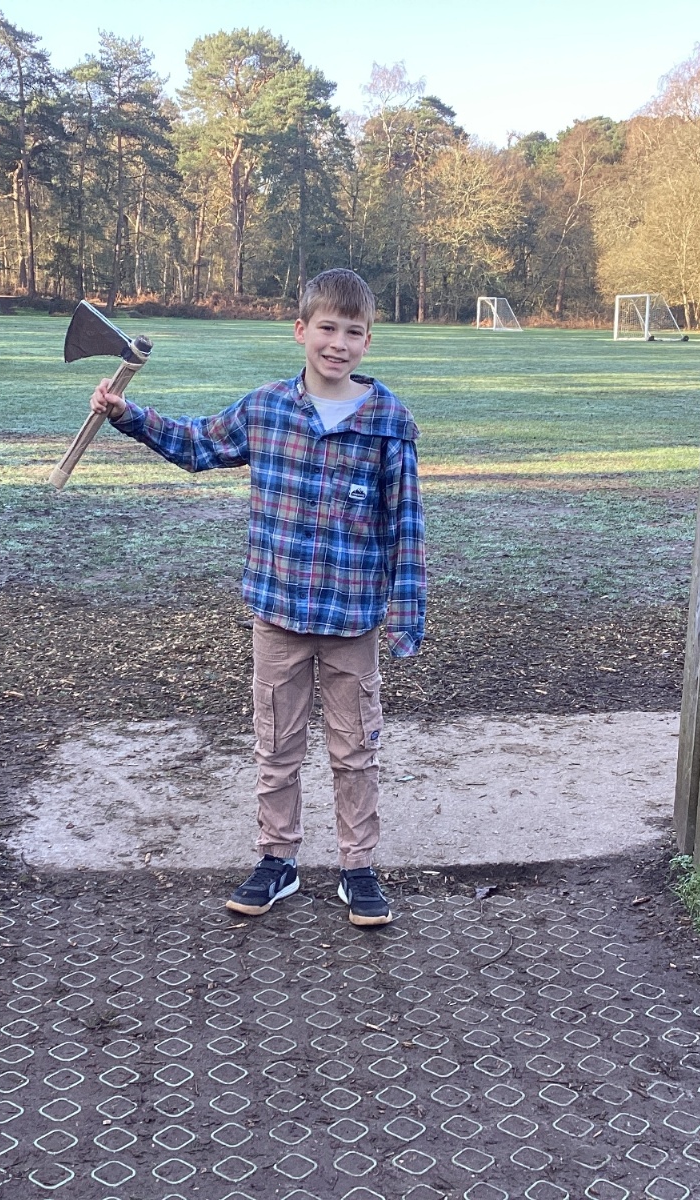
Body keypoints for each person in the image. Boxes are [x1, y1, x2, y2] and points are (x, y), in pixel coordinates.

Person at [88, 268, 427, 927]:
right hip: (278, 614)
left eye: (353, 332)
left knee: (355, 750)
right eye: (326, 328)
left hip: (353, 619)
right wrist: (130, 416)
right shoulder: (266, 410)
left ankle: (358, 868)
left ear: (368, 341)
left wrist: (405, 612)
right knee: (277, 746)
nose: (337, 343)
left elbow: (405, 525)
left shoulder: (389, 422)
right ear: (300, 330)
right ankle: (278, 860)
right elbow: (199, 444)